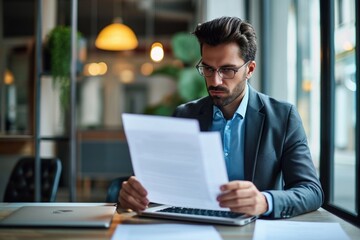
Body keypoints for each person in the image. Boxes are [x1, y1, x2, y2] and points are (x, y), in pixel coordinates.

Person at [118, 16, 324, 219]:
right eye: (208, 68)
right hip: (192, 227)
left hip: (254, 230)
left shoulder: (282, 117)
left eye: (227, 70)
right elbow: (161, 184)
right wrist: (135, 194)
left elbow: (311, 191)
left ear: (250, 69)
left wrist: (264, 201)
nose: (215, 80)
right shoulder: (185, 115)